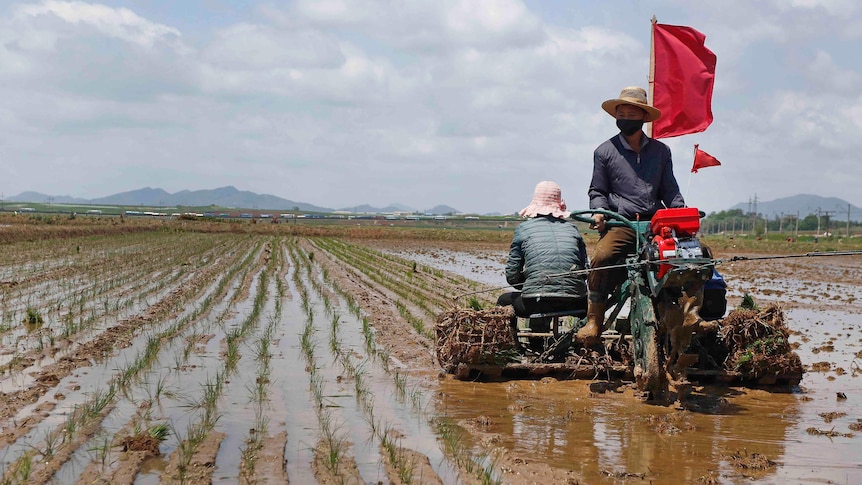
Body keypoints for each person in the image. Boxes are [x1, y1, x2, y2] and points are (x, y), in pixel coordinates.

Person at [577, 86, 685, 344]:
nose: (625, 116)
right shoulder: (605, 151)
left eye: (631, 113)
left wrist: (680, 212)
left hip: (654, 223)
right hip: (622, 222)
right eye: (621, 112)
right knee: (603, 257)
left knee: (690, 256)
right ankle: (594, 319)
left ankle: (686, 313)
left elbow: (670, 189)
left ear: (642, 118)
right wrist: (599, 213)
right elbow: (598, 190)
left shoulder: (660, 152)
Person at [497, 181, 588, 341]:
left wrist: (530, 282)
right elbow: (585, 270)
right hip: (575, 302)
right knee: (588, 302)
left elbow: (511, 276)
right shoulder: (572, 229)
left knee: (503, 301)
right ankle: (580, 343)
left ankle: (513, 345)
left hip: (536, 301)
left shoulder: (523, 229)